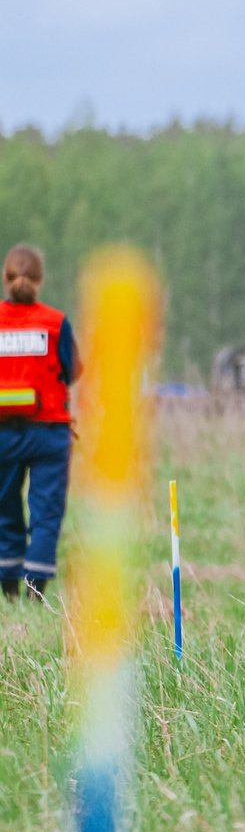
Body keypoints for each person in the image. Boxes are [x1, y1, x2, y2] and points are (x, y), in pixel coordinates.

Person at [0, 244, 78, 601]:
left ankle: (9, 590)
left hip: (3, 434)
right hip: (48, 432)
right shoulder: (55, 322)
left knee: (4, 506)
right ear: (40, 280)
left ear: (7, 278)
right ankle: (36, 592)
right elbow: (74, 369)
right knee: (46, 511)